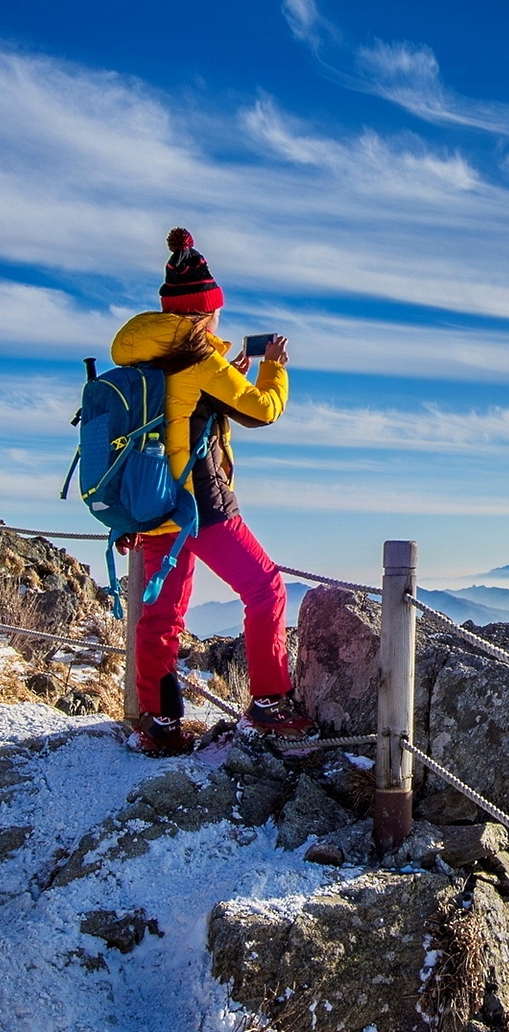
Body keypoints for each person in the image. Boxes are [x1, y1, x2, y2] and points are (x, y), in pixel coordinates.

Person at [111, 227, 314, 755]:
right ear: (205, 313)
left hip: (151, 499)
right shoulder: (201, 360)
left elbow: (180, 410)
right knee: (266, 588)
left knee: (161, 615)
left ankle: (157, 724)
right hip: (200, 503)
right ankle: (269, 703)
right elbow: (262, 411)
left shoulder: (143, 356)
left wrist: (228, 375)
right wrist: (273, 369)